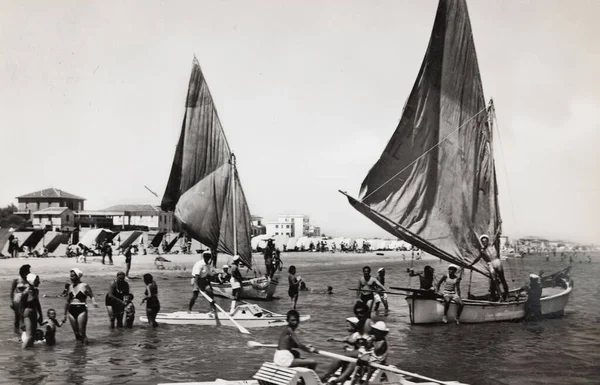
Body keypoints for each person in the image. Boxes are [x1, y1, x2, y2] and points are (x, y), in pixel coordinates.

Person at [469, 234, 509, 301]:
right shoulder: (482, 251)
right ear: (481, 242)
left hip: (497, 262)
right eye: (483, 242)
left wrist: (498, 231)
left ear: (487, 241)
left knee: (502, 279)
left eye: (485, 241)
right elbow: (478, 258)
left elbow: (495, 236)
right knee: (495, 281)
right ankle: (500, 297)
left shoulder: (492, 245)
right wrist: (471, 264)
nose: (484, 243)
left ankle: (507, 295)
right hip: (490, 264)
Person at [63, 268, 98, 345]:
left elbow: (91, 295)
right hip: (71, 310)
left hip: (81, 309)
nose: (71, 278)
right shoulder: (70, 287)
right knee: (76, 333)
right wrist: (64, 315)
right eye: (70, 276)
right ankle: (79, 351)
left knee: (82, 333)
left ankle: (84, 351)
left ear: (78, 276)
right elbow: (67, 301)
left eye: (73, 276)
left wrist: (94, 302)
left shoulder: (84, 285)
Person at [321, 317, 361, 382]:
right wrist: (335, 339)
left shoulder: (357, 334)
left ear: (354, 326)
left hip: (352, 357)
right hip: (348, 355)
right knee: (341, 365)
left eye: (348, 326)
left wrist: (345, 340)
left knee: (342, 363)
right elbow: (344, 339)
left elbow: (351, 340)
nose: (346, 328)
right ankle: (329, 376)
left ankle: (329, 376)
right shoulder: (351, 334)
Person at [21, 273, 43, 349]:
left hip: (34, 312)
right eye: (37, 281)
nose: (39, 282)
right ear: (32, 281)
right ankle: (22, 352)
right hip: (27, 313)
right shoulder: (26, 292)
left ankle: (31, 357)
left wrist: (41, 315)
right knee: (29, 335)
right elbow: (21, 305)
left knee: (33, 336)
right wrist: (22, 320)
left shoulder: (36, 290)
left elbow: (37, 303)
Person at [10, 264, 31, 335]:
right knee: (17, 317)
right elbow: (12, 291)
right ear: (23, 271)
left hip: (26, 299)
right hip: (17, 299)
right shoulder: (16, 279)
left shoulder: (28, 279)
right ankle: (16, 333)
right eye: (28, 270)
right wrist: (12, 302)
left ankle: (24, 333)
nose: (29, 272)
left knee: (25, 316)